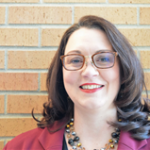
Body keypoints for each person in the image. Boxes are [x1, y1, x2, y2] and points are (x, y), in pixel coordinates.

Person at [3, 15, 150, 150]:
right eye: (75, 60)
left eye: (103, 59)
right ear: (61, 73)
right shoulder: (19, 147)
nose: (89, 72)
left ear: (124, 69)